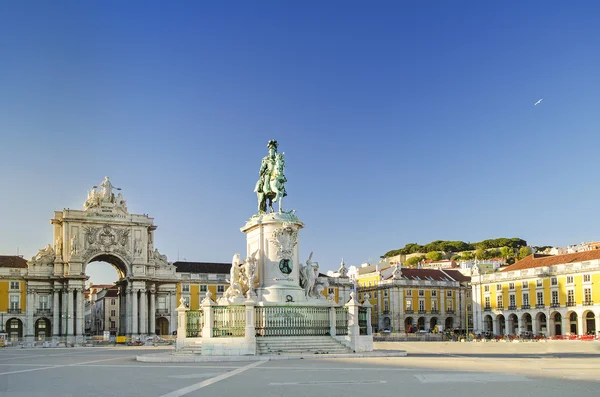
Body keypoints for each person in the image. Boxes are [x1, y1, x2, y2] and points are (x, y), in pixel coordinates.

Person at [254, 140, 279, 213]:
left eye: (273, 150)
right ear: (269, 151)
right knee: (261, 196)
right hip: (267, 174)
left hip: (275, 175)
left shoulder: (277, 159)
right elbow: (262, 169)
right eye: (271, 150)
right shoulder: (266, 159)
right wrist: (262, 171)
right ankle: (261, 209)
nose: (272, 152)